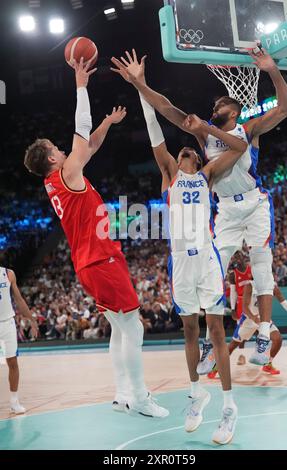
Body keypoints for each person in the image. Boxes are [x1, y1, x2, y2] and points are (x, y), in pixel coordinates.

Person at [111, 47, 287, 366]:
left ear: (233, 112)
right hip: (225, 210)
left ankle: (264, 334)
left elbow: (286, 105)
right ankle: (214, 340)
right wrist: (139, 83)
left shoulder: (248, 131)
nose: (214, 106)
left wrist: (271, 70)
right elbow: (166, 108)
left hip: (253, 203)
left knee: (262, 265)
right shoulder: (202, 139)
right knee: (215, 269)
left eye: (219, 105)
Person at [24, 57, 168, 419]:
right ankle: (140, 396)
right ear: (53, 159)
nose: (63, 148)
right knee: (132, 327)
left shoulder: (56, 180)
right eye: (57, 148)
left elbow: (89, 144)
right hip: (100, 260)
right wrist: (81, 85)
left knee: (119, 329)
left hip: (88, 262)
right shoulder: (67, 172)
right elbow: (81, 130)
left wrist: (107, 122)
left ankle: (122, 394)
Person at [123, 67, 248, 444]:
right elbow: (155, 131)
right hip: (180, 261)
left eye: (190, 150)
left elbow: (240, 148)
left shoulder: (208, 174)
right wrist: (139, 85)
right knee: (189, 329)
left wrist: (208, 133)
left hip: (206, 258)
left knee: (216, 330)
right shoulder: (170, 176)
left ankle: (229, 408)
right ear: (176, 162)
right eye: (183, 151)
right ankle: (197, 394)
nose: (186, 150)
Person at [208, 281, 287, 378]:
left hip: (263, 318)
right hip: (248, 320)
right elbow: (245, 307)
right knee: (232, 345)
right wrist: (253, 317)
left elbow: (284, 302)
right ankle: (215, 367)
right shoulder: (250, 285)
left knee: (278, 339)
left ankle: (267, 364)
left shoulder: (272, 286)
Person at [0, 267, 38, 414]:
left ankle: (14, 402)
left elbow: (19, 299)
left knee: (13, 363)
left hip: (8, 323)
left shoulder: (8, 273)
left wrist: (32, 319)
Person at [229, 251, 253, 365]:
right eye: (235, 257)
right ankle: (241, 356)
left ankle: (262, 354)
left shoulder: (251, 270)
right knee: (240, 333)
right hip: (241, 304)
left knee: (260, 329)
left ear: (243, 257)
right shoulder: (233, 274)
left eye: (239, 256)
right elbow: (233, 293)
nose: (237, 259)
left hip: (253, 302)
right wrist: (233, 308)